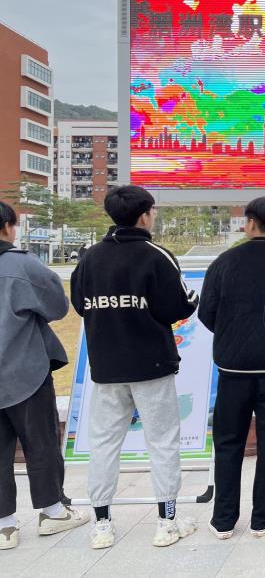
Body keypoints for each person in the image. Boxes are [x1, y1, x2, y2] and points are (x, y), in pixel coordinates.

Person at [71, 185, 200, 549]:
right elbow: (179, 306)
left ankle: (101, 524)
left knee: (103, 444)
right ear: (144, 215)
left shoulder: (90, 258)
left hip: (106, 367)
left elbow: (80, 305)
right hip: (151, 366)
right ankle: (166, 522)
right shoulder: (156, 256)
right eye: (153, 211)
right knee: (162, 442)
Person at [199, 197, 265, 540]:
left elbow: (207, 312)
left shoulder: (225, 262)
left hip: (233, 371)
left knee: (227, 442)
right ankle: (263, 516)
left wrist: (230, 335)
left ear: (250, 222)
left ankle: (223, 519)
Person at [0, 201, 88, 550]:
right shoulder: (22, 265)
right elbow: (57, 306)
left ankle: (4, 526)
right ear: (8, 227)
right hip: (24, 372)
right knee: (41, 442)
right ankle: (52, 511)